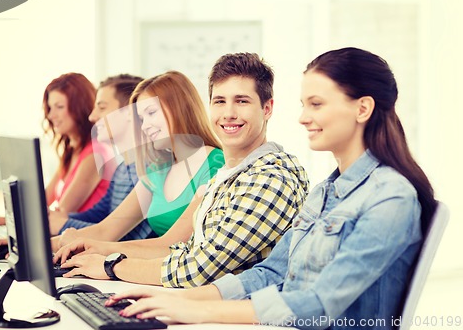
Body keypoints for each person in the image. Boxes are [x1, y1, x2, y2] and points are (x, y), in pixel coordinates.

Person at [104, 47, 437, 329]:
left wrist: (196, 309)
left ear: (362, 108)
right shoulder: (326, 191)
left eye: (316, 104)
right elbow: (270, 273)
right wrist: (174, 299)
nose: (303, 118)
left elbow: (319, 305)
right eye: (304, 105)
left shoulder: (390, 197)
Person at [54, 53, 309, 288]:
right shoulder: (218, 177)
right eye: (219, 101)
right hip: (189, 292)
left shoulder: (251, 173)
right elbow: (181, 250)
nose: (229, 113)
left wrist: (110, 262)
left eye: (241, 101)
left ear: (267, 108)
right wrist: (89, 248)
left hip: (215, 300)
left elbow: (195, 264)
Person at [50, 70, 225, 253]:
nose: (145, 126)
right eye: (141, 118)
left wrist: (91, 246)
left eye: (151, 113)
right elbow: (106, 230)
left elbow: (170, 244)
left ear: (178, 107)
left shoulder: (215, 164)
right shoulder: (159, 168)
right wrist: (48, 245)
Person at [0, 72, 113, 227]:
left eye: (59, 107)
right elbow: (43, 201)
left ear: (80, 107)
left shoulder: (95, 154)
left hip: (78, 241)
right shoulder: (71, 151)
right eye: (50, 107)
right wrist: (4, 220)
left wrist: (9, 223)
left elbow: (59, 215)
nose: (51, 115)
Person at [48, 74, 155, 241]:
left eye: (102, 107)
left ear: (129, 111)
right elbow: (100, 215)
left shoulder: (151, 169)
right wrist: (62, 220)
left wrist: (62, 225)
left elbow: (124, 237)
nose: (92, 117)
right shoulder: (122, 169)